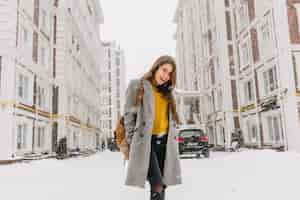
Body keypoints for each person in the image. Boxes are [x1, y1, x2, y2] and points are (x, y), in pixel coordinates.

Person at [123, 55, 182, 200]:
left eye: (170, 73)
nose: (166, 76)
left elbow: (171, 119)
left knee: (161, 187)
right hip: (146, 144)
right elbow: (129, 116)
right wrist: (132, 141)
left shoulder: (168, 93)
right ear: (156, 67)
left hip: (165, 144)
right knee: (157, 184)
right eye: (164, 70)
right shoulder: (137, 85)